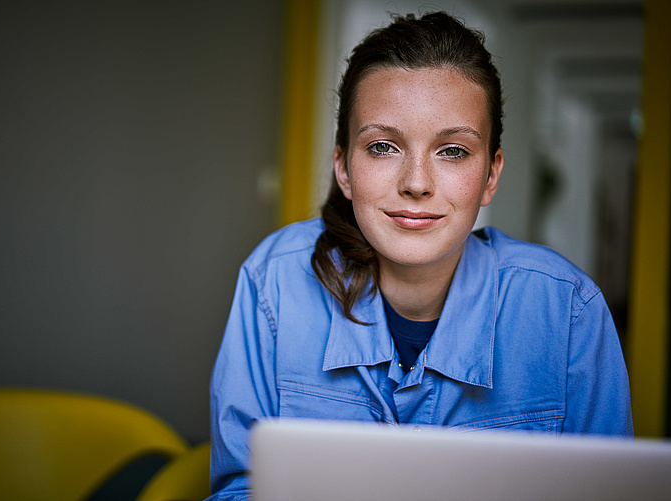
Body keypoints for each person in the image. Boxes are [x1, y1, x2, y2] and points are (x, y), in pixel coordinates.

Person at [207, 11, 632, 501]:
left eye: (452, 151)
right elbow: (240, 489)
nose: (416, 183)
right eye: (383, 147)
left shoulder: (569, 312)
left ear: (491, 175)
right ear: (344, 168)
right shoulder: (273, 283)